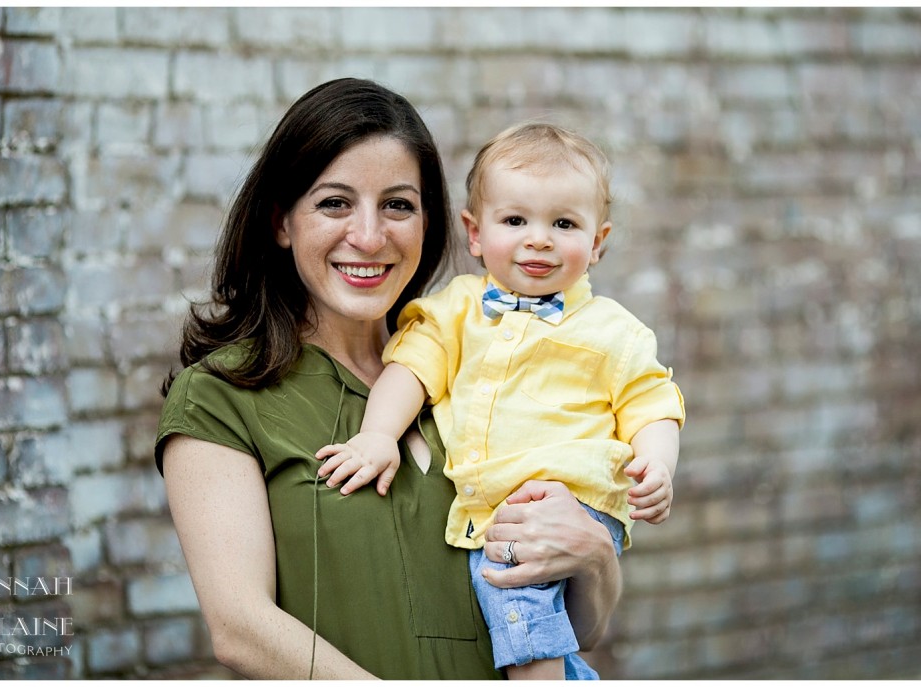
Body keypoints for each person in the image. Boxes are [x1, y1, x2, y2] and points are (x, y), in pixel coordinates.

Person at [156, 79, 623, 680]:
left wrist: (592, 556)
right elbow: (241, 629)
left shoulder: (478, 374)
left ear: (431, 223)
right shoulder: (221, 398)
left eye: (398, 205)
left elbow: (576, 627)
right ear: (281, 222)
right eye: (334, 203)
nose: (370, 237)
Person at [317, 122, 685, 680]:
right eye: (515, 221)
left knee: (515, 593)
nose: (539, 239)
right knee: (532, 627)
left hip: (569, 500)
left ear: (598, 242)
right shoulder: (457, 310)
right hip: (497, 510)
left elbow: (652, 403)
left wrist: (657, 463)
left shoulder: (613, 330)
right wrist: (377, 435)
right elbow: (410, 369)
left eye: (564, 223)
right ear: (475, 232)